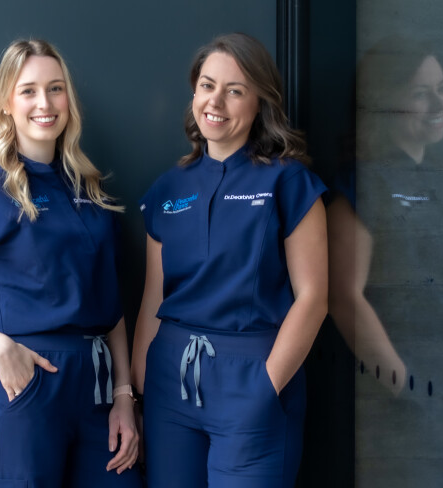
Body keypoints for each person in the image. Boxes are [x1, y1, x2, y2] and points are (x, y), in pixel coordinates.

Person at [0, 39, 141, 488]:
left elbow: (111, 306)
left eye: (55, 88)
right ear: (7, 104)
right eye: (28, 91)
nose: (44, 103)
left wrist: (124, 394)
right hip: (23, 385)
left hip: (97, 391)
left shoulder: (91, 191)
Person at [131, 33, 328, 488]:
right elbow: (153, 299)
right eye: (207, 85)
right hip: (169, 385)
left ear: (260, 103)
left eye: (235, 90)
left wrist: (266, 386)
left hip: (252, 379)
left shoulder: (289, 183)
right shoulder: (167, 188)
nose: (215, 101)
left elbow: (314, 297)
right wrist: (142, 392)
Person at [327, 36, 443, 396]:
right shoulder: (363, 184)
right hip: (398, 396)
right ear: (384, 103)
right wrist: (407, 389)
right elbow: (344, 297)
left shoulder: (439, 182)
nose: (439, 104)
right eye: (420, 94)